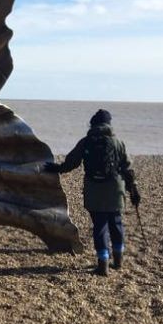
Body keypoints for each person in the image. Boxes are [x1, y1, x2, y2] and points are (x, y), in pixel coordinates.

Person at [43, 109, 141, 276]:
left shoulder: (86, 141)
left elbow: (71, 163)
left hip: (94, 190)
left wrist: (57, 168)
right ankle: (118, 260)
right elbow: (127, 168)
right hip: (115, 189)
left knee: (100, 226)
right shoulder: (117, 142)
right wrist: (133, 190)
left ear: (92, 124)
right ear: (109, 124)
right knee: (116, 224)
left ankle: (103, 263)